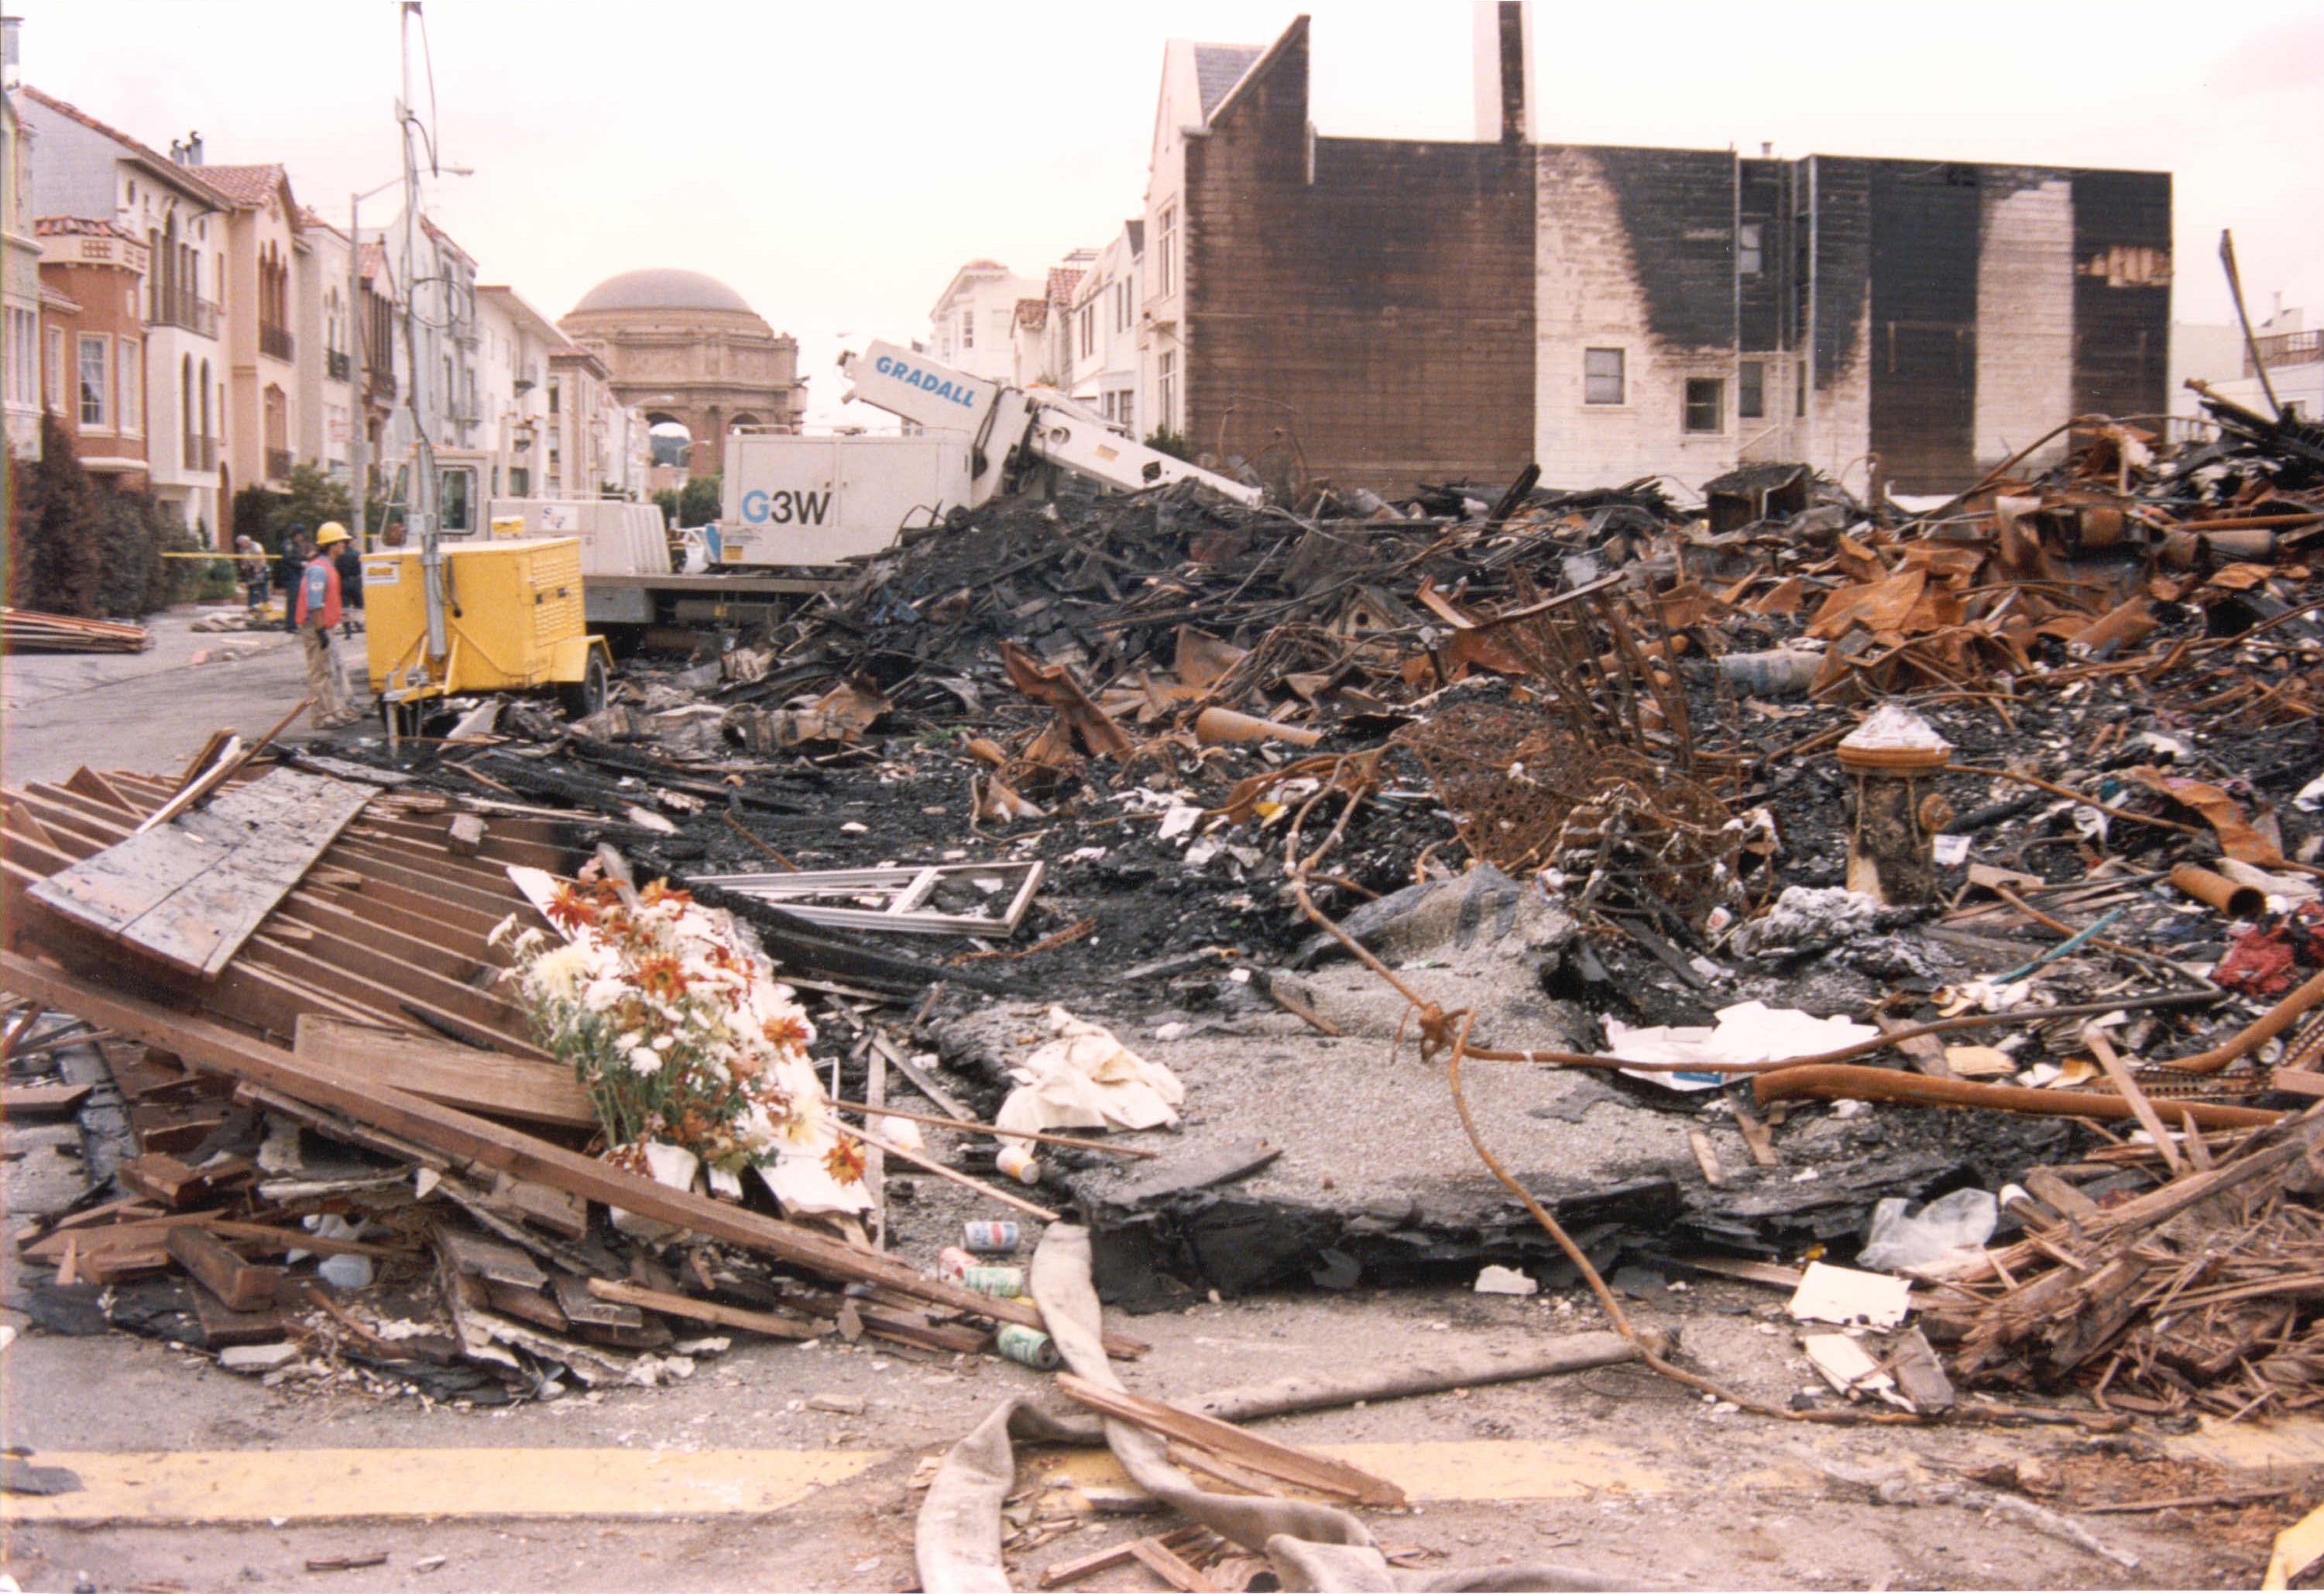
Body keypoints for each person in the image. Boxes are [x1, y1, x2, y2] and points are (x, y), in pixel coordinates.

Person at [297, 523, 356, 727]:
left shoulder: (325, 567)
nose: (345, 545)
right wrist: (321, 631)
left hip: (322, 625)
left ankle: (331, 711)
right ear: (332, 545)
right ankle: (321, 717)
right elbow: (314, 602)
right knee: (319, 672)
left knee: (327, 670)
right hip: (315, 626)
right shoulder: (319, 570)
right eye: (342, 542)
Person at [332, 527, 365, 640]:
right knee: (358, 605)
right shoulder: (357, 554)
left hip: (342, 582)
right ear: (351, 541)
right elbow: (361, 569)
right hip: (355, 581)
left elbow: (336, 568)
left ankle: (348, 631)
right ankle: (358, 624)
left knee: (344, 607)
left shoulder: (338, 555)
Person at [276, 526, 310, 633]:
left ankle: (294, 623)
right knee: (292, 601)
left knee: (297, 600)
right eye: (301, 535)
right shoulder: (288, 544)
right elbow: (287, 560)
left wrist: (307, 558)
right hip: (291, 576)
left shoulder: (296, 545)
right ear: (296, 534)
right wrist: (301, 564)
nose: (302, 537)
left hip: (297, 575)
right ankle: (290, 626)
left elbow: (298, 557)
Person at [234, 534, 270, 613]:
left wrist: (258, 568)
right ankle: (250, 607)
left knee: (262, 587)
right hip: (251, 568)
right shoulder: (242, 549)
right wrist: (244, 565)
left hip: (260, 568)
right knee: (251, 588)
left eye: (241, 543)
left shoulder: (255, 546)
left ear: (246, 541)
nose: (240, 545)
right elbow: (243, 559)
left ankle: (266, 605)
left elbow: (261, 556)